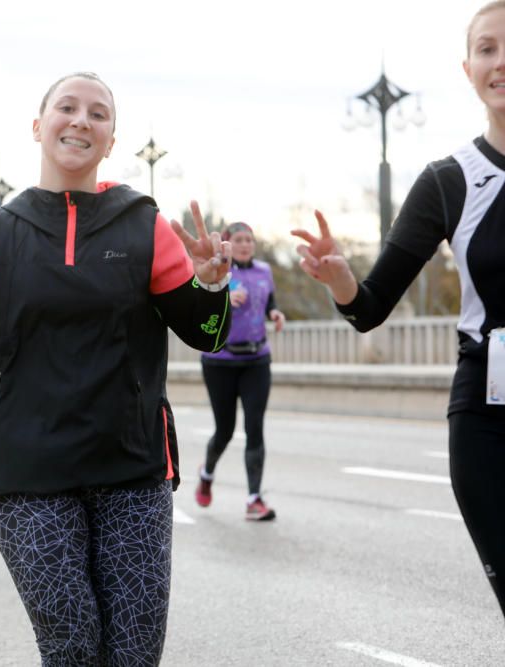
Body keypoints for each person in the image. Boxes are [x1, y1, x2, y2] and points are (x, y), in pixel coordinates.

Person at [0, 72, 232, 664]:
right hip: (27, 476)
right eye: (67, 108)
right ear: (38, 127)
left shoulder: (145, 226)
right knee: (71, 644)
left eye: (99, 113)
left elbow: (205, 334)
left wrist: (212, 287)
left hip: (132, 471)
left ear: (111, 140)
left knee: (133, 653)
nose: (81, 121)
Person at [292, 1, 505, 620]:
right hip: (488, 421)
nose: (501, 61)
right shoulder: (448, 180)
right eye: (488, 49)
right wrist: (340, 280)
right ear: (468, 69)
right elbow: (369, 309)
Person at [195, 222, 285, 521]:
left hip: (256, 359)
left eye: (249, 240)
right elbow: (197, 307)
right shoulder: (218, 270)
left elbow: (269, 301)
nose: (245, 244)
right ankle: (207, 474)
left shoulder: (264, 271)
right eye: (239, 240)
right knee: (225, 430)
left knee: (254, 428)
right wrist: (222, 298)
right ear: (227, 244)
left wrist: (275, 313)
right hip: (219, 361)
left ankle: (253, 499)